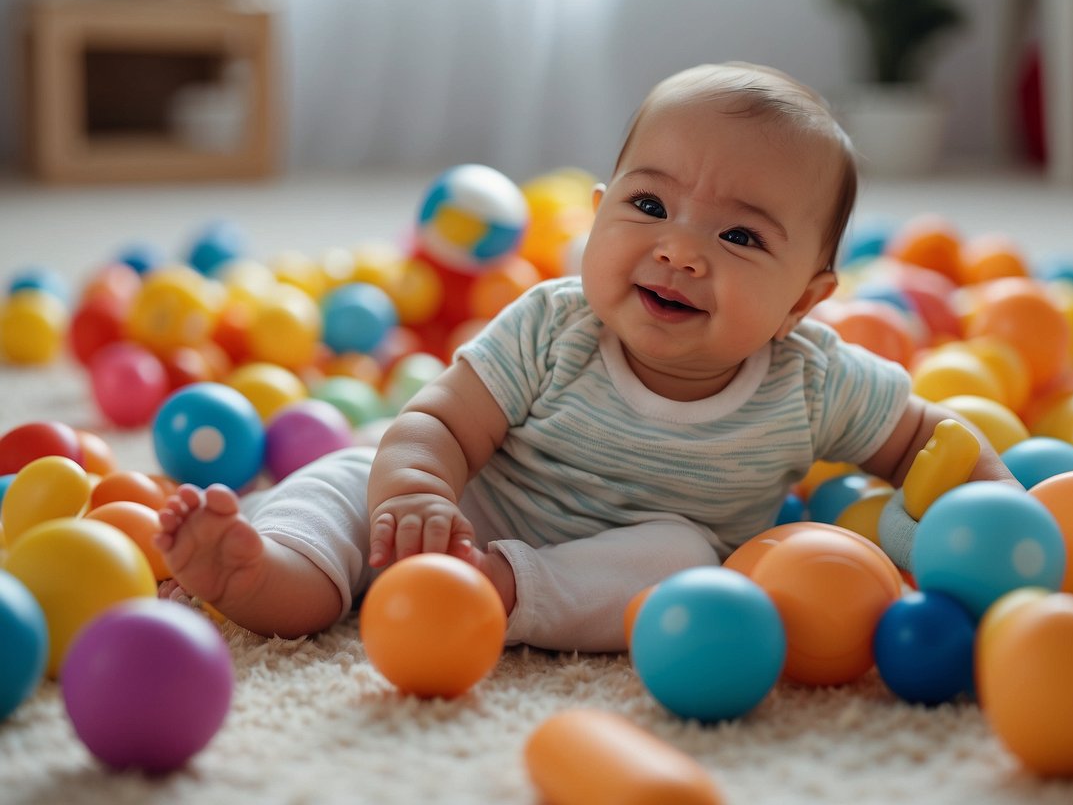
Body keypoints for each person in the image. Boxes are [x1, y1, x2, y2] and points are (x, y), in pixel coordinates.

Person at [155, 62, 1017, 650]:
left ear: (802, 300)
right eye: (649, 204)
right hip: (472, 503)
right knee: (346, 478)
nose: (679, 251)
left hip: (602, 563)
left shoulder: (815, 379)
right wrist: (416, 491)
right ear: (597, 215)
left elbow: (924, 439)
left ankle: (497, 591)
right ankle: (264, 570)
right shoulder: (551, 326)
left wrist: (1002, 515)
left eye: (739, 234)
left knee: (687, 558)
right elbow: (440, 421)